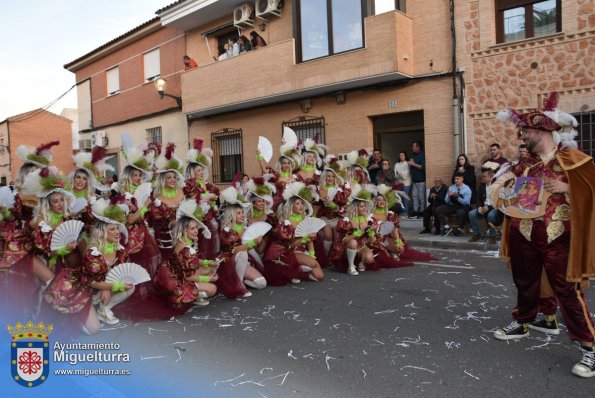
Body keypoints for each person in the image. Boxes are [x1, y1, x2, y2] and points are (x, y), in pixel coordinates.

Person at [493, 91, 595, 378]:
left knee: (568, 291)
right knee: (525, 281)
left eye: (526, 132)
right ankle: (526, 321)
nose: (522, 136)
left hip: (558, 237)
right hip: (524, 233)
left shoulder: (571, 159)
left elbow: (592, 189)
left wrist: (569, 188)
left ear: (542, 131)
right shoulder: (525, 165)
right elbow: (504, 190)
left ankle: (590, 347)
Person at [153, 199, 218, 308]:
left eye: (196, 227)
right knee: (212, 289)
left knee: (208, 269)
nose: (196, 231)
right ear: (184, 230)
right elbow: (188, 277)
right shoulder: (185, 248)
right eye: (192, 228)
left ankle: (193, 293)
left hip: (178, 274)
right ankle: (190, 297)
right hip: (176, 281)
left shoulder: (184, 241)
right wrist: (207, 279)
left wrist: (208, 263)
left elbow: (193, 261)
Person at [150, 143, 186, 262]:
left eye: (174, 177)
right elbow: (156, 218)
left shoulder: (182, 191)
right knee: (169, 261)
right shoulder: (157, 196)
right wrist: (171, 222)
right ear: (163, 179)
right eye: (169, 177)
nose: (173, 180)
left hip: (182, 233)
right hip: (165, 236)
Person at [467, 164, 503, 244]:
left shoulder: (497, 186)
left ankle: (493, 236)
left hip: (495, 208)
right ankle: (477, 234)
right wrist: (479, 207)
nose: (482, 178)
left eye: (484, 176)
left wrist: (488, 207)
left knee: (491, 215)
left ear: (490, 178)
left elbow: (499, 201)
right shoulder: (482, 186)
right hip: (483, 207)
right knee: (471, 213)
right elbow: (478, 199)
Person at [409, 140, 426, 218]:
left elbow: (423, 167)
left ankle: (422, 212)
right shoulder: (413, 155)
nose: (412, 148)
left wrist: (413, 164)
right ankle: (416, 211)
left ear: (418, 147)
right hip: (414, 180)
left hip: (421, 180)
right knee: (414, 196)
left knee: (421, 197)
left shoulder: (422, 155)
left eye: (414, 146)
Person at [393, 151, 412, 216]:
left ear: (405, 156)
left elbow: (405, 175)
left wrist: (399, 173)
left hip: (406, 183)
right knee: (399, 198)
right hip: (399, 184)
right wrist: (400, 174)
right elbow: (395, 175)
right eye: (400, 155)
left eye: (403, 155)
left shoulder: (407, 164)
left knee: (405, 198)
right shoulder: (396, 164)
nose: (401, 157)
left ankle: (406, 213)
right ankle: (401, 212)